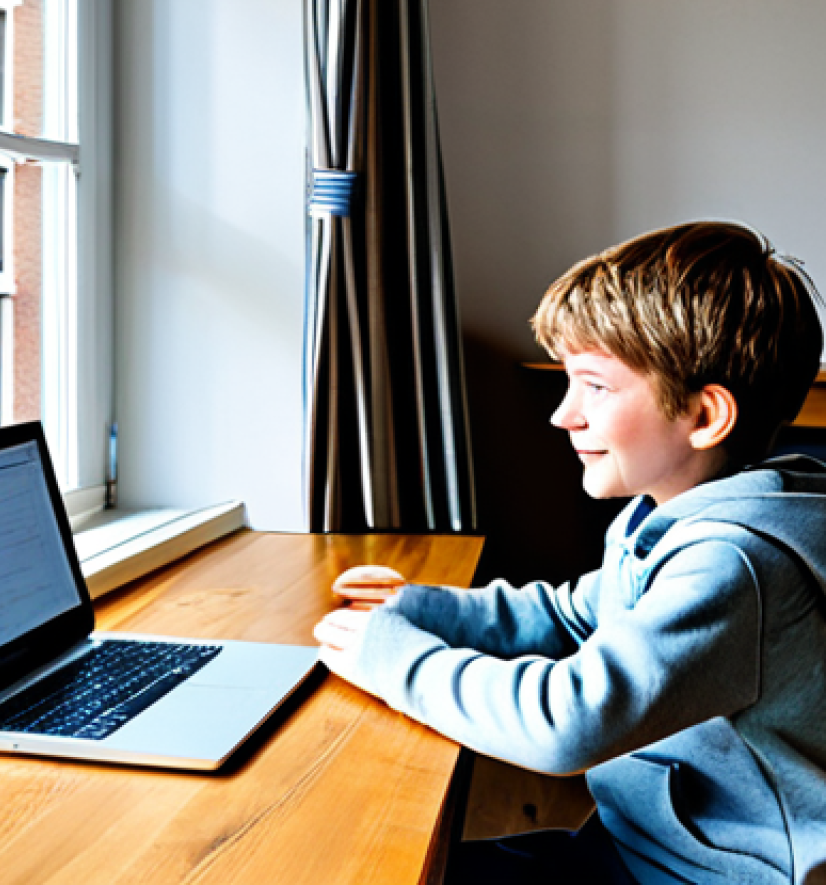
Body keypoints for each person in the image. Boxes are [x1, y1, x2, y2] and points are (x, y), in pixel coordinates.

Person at [314, 222, 826, 885]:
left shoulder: (733, 566)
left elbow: (568, 721)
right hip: (640, 850)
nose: (563, 414)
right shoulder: (660, 517)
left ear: (704, 418)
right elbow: (571, 616)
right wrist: (418, 608)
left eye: (596, 387)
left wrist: (394, 659)